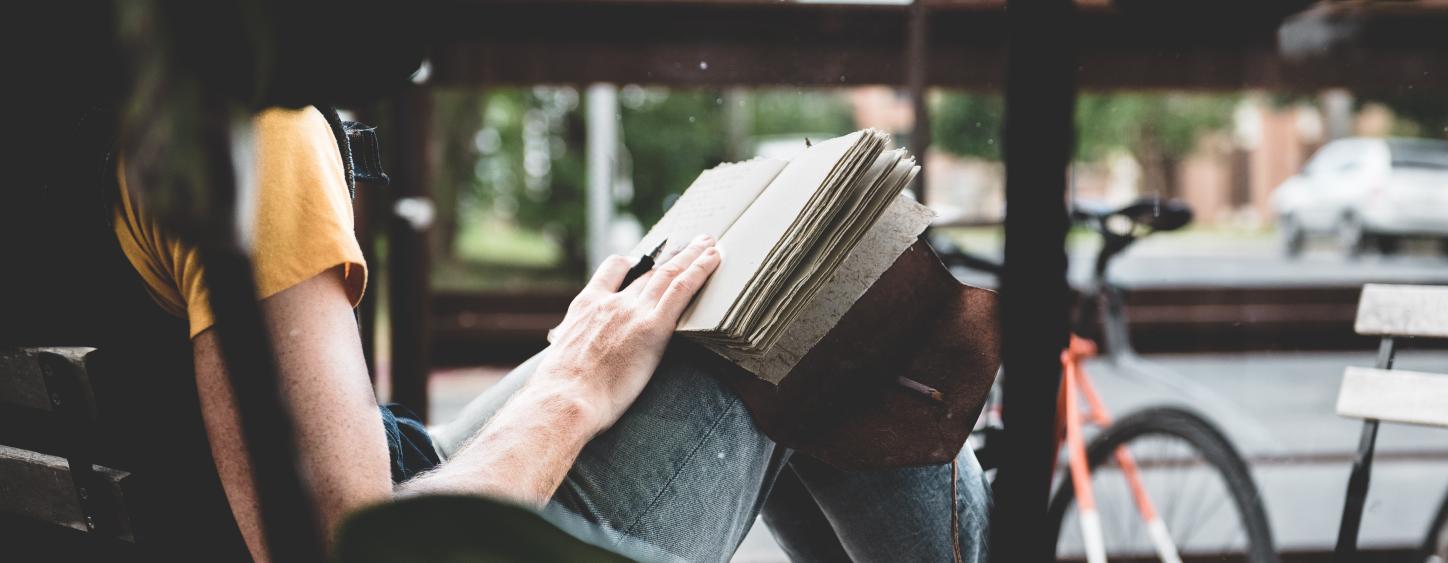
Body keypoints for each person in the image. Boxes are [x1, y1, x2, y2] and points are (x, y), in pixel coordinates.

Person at [22, 106, 991, 562]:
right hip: (435, 530)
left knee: (702, 308)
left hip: (390, 469)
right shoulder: (252, 141)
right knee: (819, 302)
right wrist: (572, 387)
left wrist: (580, 358)